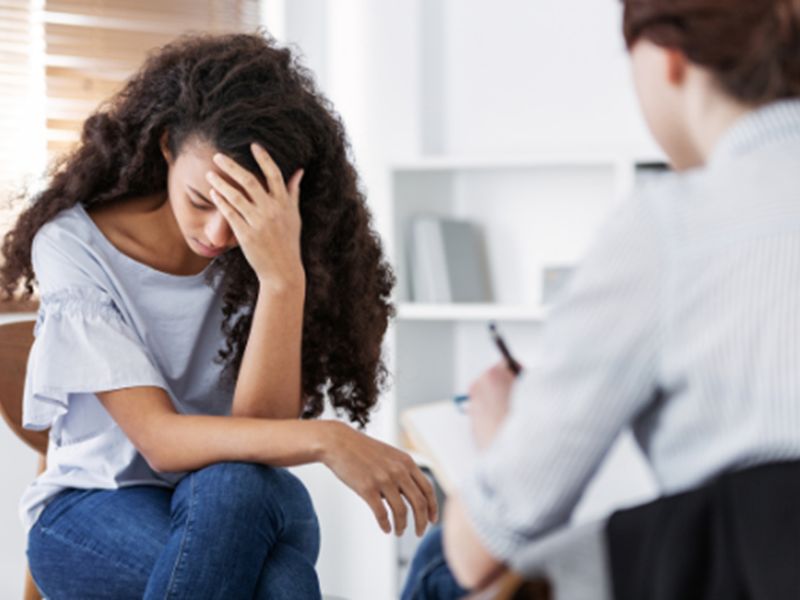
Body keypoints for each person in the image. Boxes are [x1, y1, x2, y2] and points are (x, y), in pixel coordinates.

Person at [0, 32, 437, 600]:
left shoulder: (274, 250)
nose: (217, 234)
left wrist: (282, 279)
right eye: (202, 201)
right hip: (92, 507)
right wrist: (326, 439)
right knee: (280, 585)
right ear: (166, 148)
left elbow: (260, 430)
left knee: (233, 485)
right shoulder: (74, 245)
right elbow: (159, 440)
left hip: (249, 498)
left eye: (241, 214)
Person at [401, 0, 800, 597]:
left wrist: (502, 432)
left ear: (667, 58)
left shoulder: (669, 228)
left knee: (443, 564)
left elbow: (479, 548)